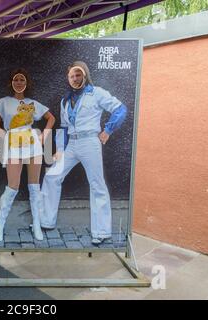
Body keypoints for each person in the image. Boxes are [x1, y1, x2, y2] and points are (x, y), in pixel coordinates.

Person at [40, 61, 127, 245]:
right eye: (71, 76)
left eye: (78, 74)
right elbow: (63, 127)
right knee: (52, 176)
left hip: (89, 142)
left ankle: (102, 232)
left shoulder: (97, 93)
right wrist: (59, 150)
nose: (75, 78)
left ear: (85, 75)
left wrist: (107, 130)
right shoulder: (65, 99)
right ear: (68, 78)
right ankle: (46, 221)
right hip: (71, 143)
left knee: (97, 184)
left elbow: (120, 109)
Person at [0, 68, 55, 241]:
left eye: (22, 80)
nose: (19, 82)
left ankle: (37, 224)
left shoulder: (32, 102)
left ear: (27, 83)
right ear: (11, 83)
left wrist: (44, 135)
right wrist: (6, 136)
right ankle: (0, 223)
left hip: (32, 142)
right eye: (16, 79)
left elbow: (51, 118)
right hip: (14, 143)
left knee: (34, 186)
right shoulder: (3, 102)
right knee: (13, 186)